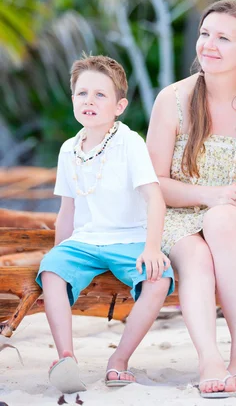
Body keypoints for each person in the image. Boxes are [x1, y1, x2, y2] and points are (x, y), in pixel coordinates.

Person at [146, 0, 236, 398]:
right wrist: (211, 195)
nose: (208, 44)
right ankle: (209, 358)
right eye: (205, 33)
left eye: (224, 38)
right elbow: (154, 183)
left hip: (235, 222)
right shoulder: (172, 100)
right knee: (195, 255)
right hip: (176, 216)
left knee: (221, 221)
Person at [36, 55, 174, 394]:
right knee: (51, 269)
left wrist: (152, 247)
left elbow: (155, 198)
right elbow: (66, 212)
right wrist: (58, 258)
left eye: (100, 95)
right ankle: (66, 358)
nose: (89, 101)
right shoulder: (69, 149)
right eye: (82, 94)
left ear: (119, 105)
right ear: (73, 100)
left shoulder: (129, 143)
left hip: (129, 239)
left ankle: (119, 361)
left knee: (158, 280)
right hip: (85, 242)